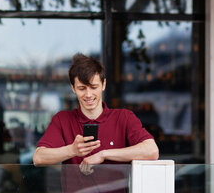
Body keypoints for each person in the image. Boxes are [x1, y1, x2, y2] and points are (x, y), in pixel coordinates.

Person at [33, 53, 159, 192]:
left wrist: (103, 154)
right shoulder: (62, 119)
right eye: (82, 88)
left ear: (103, 85)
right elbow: (38, 157)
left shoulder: (124, 117)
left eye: (93, 87)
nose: (88, 94)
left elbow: (152, 151)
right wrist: (72, 150)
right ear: (73, 88)